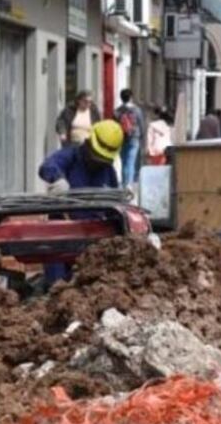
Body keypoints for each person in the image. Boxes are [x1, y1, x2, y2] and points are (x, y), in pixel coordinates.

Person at [38, 119, 123, 284]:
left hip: (95, 243)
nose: (99, 162)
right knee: (57, 287)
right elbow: (47, 166)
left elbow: (115, 204)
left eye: (103, 159)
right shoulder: (70, 156)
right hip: (61, 239)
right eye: (97, 156)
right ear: (90, 143)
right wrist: (58, 179)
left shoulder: (108, 171)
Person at [114, 89, 145, 187]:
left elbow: (114, 126)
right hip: (134, 137)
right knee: (131, 160)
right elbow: (141, 124)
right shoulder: (137, 110)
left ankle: (124, 182)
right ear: (131, 97)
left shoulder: (117, 111)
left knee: (124, 161)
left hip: (121, 138)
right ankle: (129, 184)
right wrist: (142, 137)